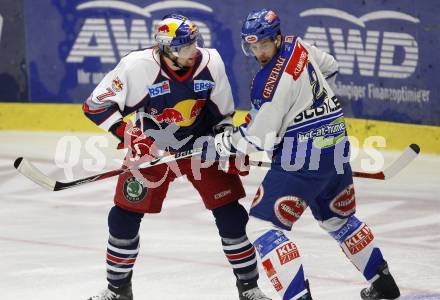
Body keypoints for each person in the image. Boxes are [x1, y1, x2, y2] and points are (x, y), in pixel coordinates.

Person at [208, 8, 401, 300]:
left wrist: (225, 145)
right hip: (335, 143)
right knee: (339, 220)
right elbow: (331, 66)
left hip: (302, 157)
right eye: (253, 45)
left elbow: (258, 137)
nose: (259, 51)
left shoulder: (267, 83)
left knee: (263, 228)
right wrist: (313, 108)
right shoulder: (297, 45)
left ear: (276, 37)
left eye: (263, 43)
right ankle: (384, 284)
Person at [84, 14, 270, 300]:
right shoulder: (138, 66)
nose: (192, 51)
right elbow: (96, 105)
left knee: (231, 216)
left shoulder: (211, 62)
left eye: (194, 43)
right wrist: (129, 134)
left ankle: (249, 289)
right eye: (185, 47)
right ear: (167, 49)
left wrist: (228, 147)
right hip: (153, 147)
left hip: (201, 145)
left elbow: (223, 117)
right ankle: (118, 289)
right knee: (123, 217)